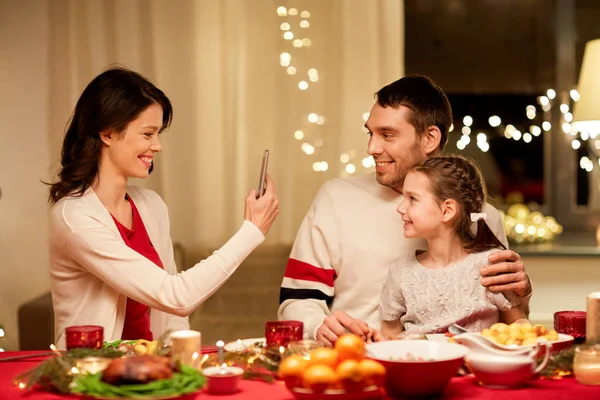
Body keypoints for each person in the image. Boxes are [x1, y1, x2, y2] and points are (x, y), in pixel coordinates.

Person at [278, 75, 531, 344]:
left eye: (387, 135)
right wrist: (318, 326)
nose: (371, 148)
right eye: (370, 133)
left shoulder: (481, 215)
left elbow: (508, 320)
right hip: (356, 364)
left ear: (430, 138)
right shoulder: (335, 199)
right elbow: (295, 299)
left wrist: (522, 290)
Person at [48, 67, 279, 349]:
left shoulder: (150, 205)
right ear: (108, 133)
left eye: (158, 134)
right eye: (147, 134)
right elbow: (176, 296)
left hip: (149, 369)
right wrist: (251, 232)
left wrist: (176, 362)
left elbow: (170, 314)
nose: (157, 146)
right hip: (92, 373)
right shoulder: (75, 217)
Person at [379, 155, 528, 339]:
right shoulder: (401, 272)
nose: (400, 208)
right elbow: (389, 336)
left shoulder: (490, 266)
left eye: (412, 199)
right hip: (421, 363)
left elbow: (518, 323)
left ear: (446, 210)